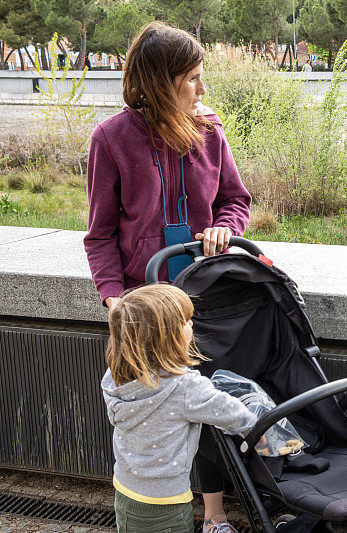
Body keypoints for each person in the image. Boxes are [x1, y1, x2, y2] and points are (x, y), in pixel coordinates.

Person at [84, 21, 252, 533]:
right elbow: (100, 235)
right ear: (160, 82)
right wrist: (116, 300)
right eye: (193, 78)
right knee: (158, 417)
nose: (203, 89)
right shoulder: (111, 139)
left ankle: (215, 514)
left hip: (204, 298)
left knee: (206, 401)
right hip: (146, 309)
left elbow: (235, 200)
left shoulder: (209, 130)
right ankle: (146, 508)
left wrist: (223, 228)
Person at [101, 284, 256, 533]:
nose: (192, 324)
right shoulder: (185, 387)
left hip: (125, 491)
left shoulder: (116, 377)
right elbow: (235, 415)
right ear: (166, 337)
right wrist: (264, 431)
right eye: (185, 320)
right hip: (167, 504)